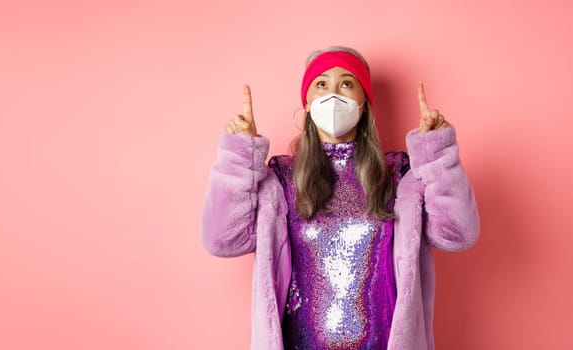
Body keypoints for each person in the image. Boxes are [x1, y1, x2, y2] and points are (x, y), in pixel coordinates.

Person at [200, 46, 480, 350]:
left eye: (347, 83)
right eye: (321, 84)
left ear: (364, 102)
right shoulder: (280, 178)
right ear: (307, 103)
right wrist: (240, 156)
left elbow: (458, 235)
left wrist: (436, 152)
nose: (333, 94)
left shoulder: (398, 174)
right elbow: (222, 240)